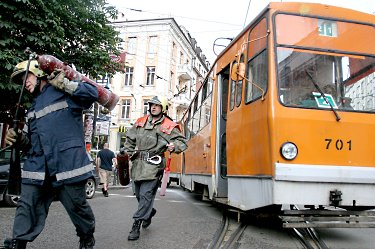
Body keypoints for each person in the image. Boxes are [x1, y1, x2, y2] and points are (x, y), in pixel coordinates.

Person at [3, 60, 98, 249]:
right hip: (38, 168)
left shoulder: (63, 91)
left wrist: (66, 84)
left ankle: (86, 235)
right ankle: (18, 242)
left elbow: (92, 93)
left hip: (67, 165)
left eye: (26, 77)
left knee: (77, 207)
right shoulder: (33, 107)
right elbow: (32, 144)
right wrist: (19, 139)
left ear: (39, 73)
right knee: (27, 205)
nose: (25, 83)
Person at [124, 95, 188, 241]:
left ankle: (136, 224)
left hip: (154, 165)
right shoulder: (140, 121)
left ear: (162, 108)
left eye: (157, 105)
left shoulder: (168, 125)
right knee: (139, 195)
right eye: (152, 105)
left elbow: (182, 142)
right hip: (138, 165)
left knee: (146, 195)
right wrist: (126, 153)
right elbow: (129, 140)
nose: (153, 107)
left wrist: (174, 146)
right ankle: (149, 211)